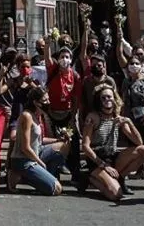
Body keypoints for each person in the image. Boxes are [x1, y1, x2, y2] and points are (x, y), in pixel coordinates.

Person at [81, 85, 144, 202]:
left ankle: (120, 178)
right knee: (115, 195)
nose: (107, 100)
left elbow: (139, 142)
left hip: (113, 156)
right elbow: (85, 146)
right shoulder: (93, 117)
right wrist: (103, 165)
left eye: (109, 97)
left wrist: (129, 122)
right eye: (103, 98)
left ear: (114, 98)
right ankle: (90, 179)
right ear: (99, 101)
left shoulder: (117, 118)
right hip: (97, 160)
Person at [8, 86, 68, 195]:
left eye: (48, 99)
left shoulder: (38, 115)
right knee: (56, 189)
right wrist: (40, 163)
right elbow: (25, 148)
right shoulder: (27, 116)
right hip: (24, 159)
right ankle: (21, 175)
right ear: (35, 102)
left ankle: (42, 177)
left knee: (63, 146)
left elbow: (40, 140)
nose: (48, 102)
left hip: (36, 152)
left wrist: (58, 139)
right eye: (45, 100)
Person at [43, 42, 83, 186]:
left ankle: (76, 174)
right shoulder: (53, 70)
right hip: (52, 114)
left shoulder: (75, 76)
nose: (64, 59)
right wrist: (48, 43)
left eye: (67, 57)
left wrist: (73, 118)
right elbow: (47, 58)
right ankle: (54, 174)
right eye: (62, 56)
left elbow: (76, 99)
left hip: (68, 115)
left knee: (74, 143)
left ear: (71, 59)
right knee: (54, 143)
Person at [119, 49, 144, 191]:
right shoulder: (126, 82)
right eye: (131, 63)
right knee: (133, 146)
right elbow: (123, 99)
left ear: (141, 65)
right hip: (131, 120)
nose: (134, 66)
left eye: (136, 63)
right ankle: (139, 169)